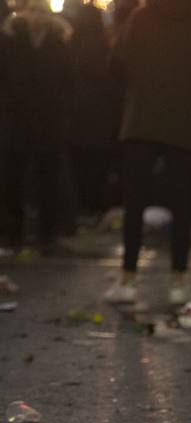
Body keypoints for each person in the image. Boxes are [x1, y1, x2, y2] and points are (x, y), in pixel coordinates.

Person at [105, 0, 191, 306]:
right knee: (182, 203)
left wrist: (139, 88)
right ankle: (179, 279)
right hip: (184, 123)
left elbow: (116, 61)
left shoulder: (142, 18)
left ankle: (128, 277)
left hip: (141, 120)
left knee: (135, 202)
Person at [0, 0, 74, 255]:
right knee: (13, 177)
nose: (36, 17)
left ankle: (46, 233)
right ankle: (13, 232)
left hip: (48, 119)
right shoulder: (11, 39)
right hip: (17, 117)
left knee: (48, 177)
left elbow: (67, 78)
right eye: (32, 11)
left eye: (40, 11)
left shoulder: (57, 40)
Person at [67, 2, 121, 218]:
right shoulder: (105, 49)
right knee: (97, 168)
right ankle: (96, 206)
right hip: (102, 121)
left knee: (80, 168)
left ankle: (82, 208)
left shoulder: (71, 48)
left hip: (77, 120)